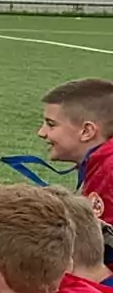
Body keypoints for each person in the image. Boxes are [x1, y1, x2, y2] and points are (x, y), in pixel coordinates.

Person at [37, 77, 113, 245]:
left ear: (87, 131)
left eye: (51, 124)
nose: (41, 132)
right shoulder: (101, 162)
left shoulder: (109, 171)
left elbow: (101, 248)